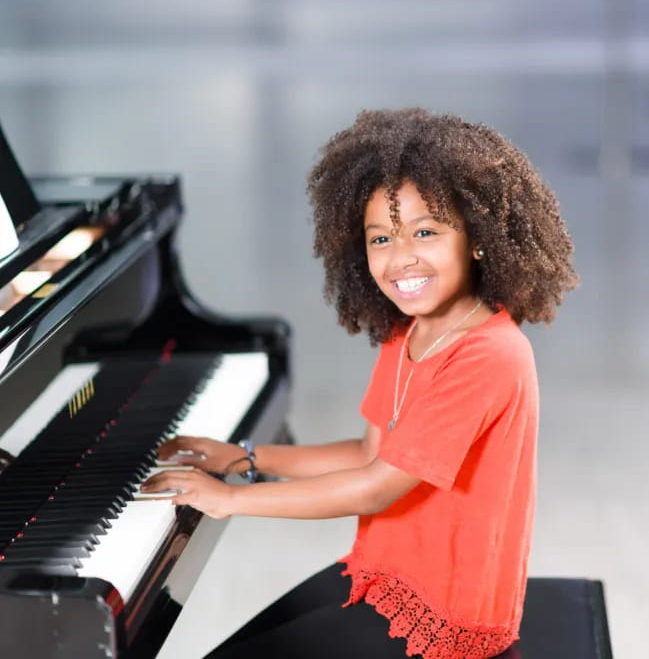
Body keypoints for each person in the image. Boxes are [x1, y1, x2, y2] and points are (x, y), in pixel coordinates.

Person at [142, 108, 579, 659]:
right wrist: (244, 458)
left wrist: (229, 499)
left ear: (478, 238)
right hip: (387, 576)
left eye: (426, 232)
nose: (401, 259)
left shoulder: (489, 354)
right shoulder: (409, 333)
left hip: (447, 615)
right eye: (380, 239)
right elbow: (370, 453)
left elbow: (375, 486)